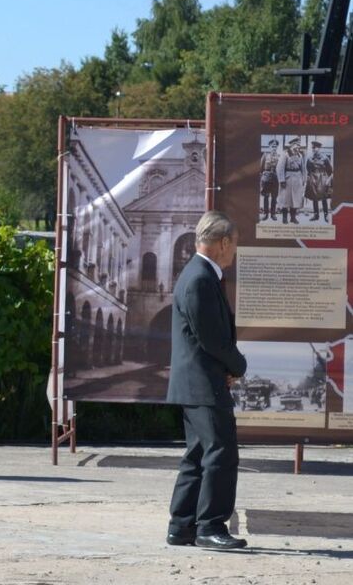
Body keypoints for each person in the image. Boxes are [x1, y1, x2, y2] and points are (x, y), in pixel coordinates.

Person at [166, 210, 248, 550]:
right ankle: (210, 527)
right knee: (220, 454)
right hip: (204, 383)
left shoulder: (197, 274)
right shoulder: (200, 278)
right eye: (234, 245)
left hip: (197, 382)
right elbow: (212, 339)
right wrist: (238, 365)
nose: (235, 253)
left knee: (198, 454)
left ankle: (181, 526)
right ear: (223, 242)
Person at [276, 137, 306, 224]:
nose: (298, 147)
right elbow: (280, 168)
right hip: (287, 179)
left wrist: (304, 179)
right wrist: (281, 180)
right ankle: (284, 218)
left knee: (295, 200)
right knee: (285, 200)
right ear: (292, 145)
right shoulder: (285, 154)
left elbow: (303, 168)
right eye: (297, 145)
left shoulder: (300, 155)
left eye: (299, 146)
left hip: (297, 179)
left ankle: (293, 218)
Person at [306, 140, 332, 223]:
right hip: (313, 179)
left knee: (323, 198)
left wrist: (328, 180)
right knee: (314, 198)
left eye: (315, 148)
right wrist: (310, 179)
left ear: (319, 148)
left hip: (323, 179)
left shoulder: (325, 158)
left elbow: (330, 171)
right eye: (312, 148)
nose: (313, 149)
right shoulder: (310, 158)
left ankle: (326, 215)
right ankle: (316, 215)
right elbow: (308, 169)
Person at [259, 139, 280, 221]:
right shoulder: (265, 155)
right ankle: (265, 214)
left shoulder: (279, 156)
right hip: (266, 178)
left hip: (275, 178)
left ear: (277, 147)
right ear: (270, 146)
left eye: (275, 146)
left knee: (274, 197)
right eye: (272, 146)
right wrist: (262, 178)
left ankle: (273, 214)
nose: (274, 147)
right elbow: (261, 168)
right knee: (266, 196)